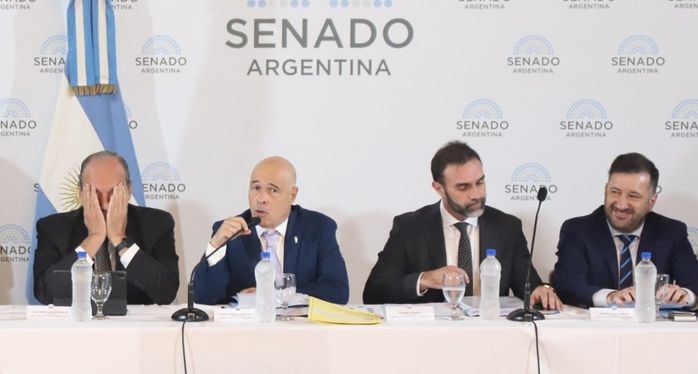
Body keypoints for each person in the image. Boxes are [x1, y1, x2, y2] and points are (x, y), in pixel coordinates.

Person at [363, 141, 561, 309]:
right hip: (430, 338)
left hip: (493, 336)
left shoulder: (507, 228)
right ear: (439, 188)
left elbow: (529, 285)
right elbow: (374, 292)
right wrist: (424, 279)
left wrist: (541, 291)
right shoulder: (410, 227)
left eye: (480, 182)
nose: (476, 194)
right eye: (463, 187)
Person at [193, 156, 349, 305]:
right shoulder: (229, 232)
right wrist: (216, 245)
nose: (261, 198)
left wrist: (275, 295)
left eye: (273, 190)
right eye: (256, 188)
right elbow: (204, 298)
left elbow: (337, 291)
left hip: (301, 329)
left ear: (292, 195)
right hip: (246, 329)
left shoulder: (318, 228)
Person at [33, 151, 179, 305]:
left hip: (135, 327)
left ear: (129, 190)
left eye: (113, 193)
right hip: (78, 325)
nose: (104, 204)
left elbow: (166, 292)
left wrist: (120, 239)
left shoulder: (157, 223)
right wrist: (94, 238)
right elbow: (45, 293)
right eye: (95, 193)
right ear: (81, 192)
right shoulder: (53, 228)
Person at [554, 152, 698, 308]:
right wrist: (610, 297)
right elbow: (568, 285)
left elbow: (694, 283)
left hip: (653, 327)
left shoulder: (671, 232)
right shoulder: (578, 230)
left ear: (651, 201)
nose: (621, 205)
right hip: (596, 329)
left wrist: (684, 295)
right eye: (615, 192)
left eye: (633, 195)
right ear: (605, 191)